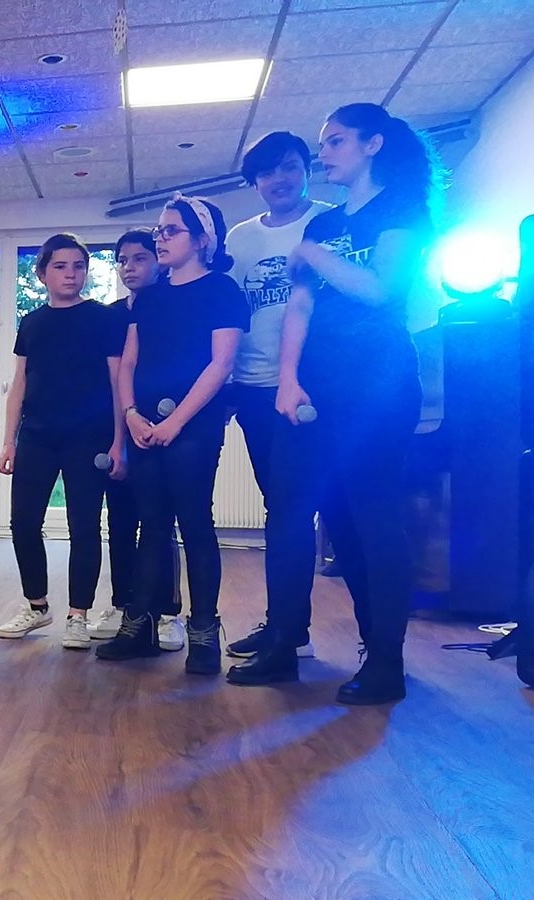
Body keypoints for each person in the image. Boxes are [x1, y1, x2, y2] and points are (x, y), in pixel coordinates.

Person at [228, 103, 437, 704]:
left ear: (373, 144)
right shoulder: (322, 224)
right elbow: (300, 307)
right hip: (313, 388)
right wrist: (288, 379)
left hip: (378, 387)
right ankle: (282, 645)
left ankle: (385, 659)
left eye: (335, 141)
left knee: (368, 517)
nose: (325, 153)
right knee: (288, 511)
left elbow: (381, 290)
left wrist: (315, 255)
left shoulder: (401, 211)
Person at [96, 195, 247, 675]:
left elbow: (220, 364)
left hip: (193, 428)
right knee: (152, 526)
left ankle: (203, 633)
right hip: (145, 426)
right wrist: (131, 415)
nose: (160, 238)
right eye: (159, 230)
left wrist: (175, 422)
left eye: (171, 230)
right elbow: (130, 363)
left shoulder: (222, 290)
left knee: (195, 525)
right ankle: (138, 626)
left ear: (202, 240)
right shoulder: (150, 296)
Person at [220, 132, 334, 666]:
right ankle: (286, 626)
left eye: (289, 167)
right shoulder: (241, 239)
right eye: (266, 173)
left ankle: (289, 634)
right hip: (253, 390)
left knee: (296, 509)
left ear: (306, 169)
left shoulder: (329, 223)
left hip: (313, 391)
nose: (278, 180)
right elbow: (230, 316)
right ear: (255, 182)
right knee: (280, 508)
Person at [0, 233, 125, 650]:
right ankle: (37, 606)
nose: (71, 274)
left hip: (88, 438)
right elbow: (19, 384)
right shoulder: (32, 323)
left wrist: (119, 441)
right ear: (42, 274)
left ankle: (78, 616)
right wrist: (9, 441)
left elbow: (117, 382)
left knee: (83, 526)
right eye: (61, 266)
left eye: (79, 266)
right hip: (37, 436)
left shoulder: (102, 318)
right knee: (23, 523)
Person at [91, 230, 185, 650]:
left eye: (140, 258)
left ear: (159, 261)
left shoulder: (172, 306)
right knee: (121, 521)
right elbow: (113, 377)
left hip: (161, 429)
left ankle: (166, 612)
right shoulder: (111, 316)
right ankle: (124, 605)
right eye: (123, 260)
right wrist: (119, 437)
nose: (130, 267)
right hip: (119, 430)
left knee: (159, 522)